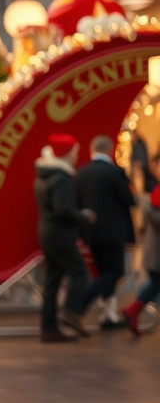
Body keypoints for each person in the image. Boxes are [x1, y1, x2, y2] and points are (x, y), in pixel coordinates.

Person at [34, 133, 95, 342]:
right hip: (60, 234)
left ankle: (49, 328)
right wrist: (84, 216)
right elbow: (64, 210)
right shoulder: (61, 178)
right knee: (80, 273)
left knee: (52, 281)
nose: (77, 156)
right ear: (66, 154)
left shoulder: (44, 175)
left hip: (47, 232)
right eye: (75, 152)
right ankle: (71, 312)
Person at [74, 134, 136, 329]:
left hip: (91, 232)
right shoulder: (115, 172)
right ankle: (79, 305)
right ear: (110, 149)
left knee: (103, 272)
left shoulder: (81, 173)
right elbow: (128, 200)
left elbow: (77, 204)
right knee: (115, 271)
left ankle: (108, 317)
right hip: (113, 232)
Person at [123, 184, 160, 335]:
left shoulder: (153, 202)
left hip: (154, 254)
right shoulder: (155, 206)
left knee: (154, 284)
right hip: (156, 255)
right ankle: (133, 310)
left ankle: (133, 310)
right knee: (155, 284)